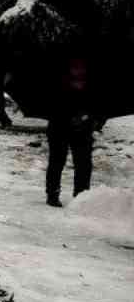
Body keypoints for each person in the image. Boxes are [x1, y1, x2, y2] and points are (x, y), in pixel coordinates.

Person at [45, 56, 94, 207]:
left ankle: (81, 195)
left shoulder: (91, 85)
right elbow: (51, 105)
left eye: (81, 67)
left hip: (83, 129)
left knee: (84, 163)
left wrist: (87, 117)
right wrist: (67, 117)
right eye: (75, 67)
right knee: (57, 161)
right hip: (59, 127)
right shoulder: (58, 83)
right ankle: (52, 194)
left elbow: (97, 107)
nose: (79, 71)